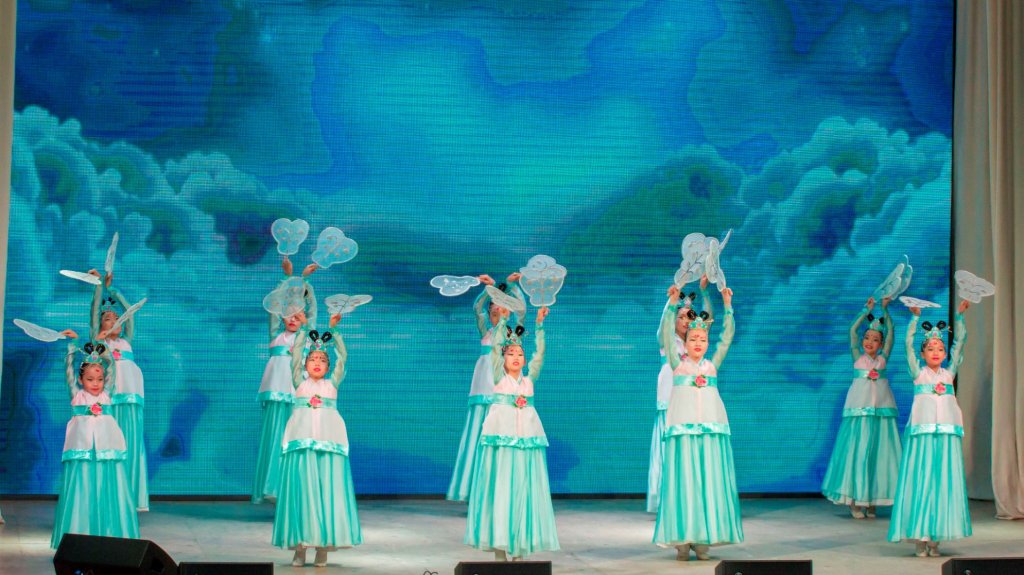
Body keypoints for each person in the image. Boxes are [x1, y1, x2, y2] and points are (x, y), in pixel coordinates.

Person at [653, 285, 742, 561]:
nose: (698, 343)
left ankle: (703, 538)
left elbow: (726, 338)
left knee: (707, 484)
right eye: (693, 339)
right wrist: (671, 305)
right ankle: (683, 538)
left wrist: (727, 306)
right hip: (684, 434)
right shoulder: (677, 364)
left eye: (703, 339)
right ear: (686, 341)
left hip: (709, 433)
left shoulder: (711, 366)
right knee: (685, 483)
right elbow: (667, 334)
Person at [465, 306, 559, 561]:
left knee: (523, 492)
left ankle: (519, 547)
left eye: (520, 354)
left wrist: (539, 325)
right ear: (503, 359)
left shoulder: (528, 381)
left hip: (525, 444)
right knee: (501, 490)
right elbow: (495, 348)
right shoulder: (499, 378)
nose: (516, 357)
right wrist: (502, 322)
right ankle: (500, 547)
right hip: (502, 444)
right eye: (511, 354)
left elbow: (540, 353)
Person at [272, 313, 362, 567]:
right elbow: (295, 355)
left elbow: (343, 357)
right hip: (302, 446)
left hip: (327, 447)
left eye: (322, 360)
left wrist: (335, 330)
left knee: (326, 494)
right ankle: (300, 548)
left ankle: (322, 548)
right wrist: (303, 329)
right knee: (302, 493)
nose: (317, 363)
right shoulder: (299, 382)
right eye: (313, 359)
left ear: (328, 366)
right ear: (305, 363)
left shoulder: (332, 385)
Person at [888, 300, 972, 557]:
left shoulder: (948, 374)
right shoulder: (919, 374)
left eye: (940, 349)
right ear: (923, 353)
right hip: (923, 435)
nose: (936, 352)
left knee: (942, 482)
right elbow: (907, 346)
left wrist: (959, 317)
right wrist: (914, 319)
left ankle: (935, 537)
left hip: (945, 435)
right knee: (922, 480)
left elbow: (960, 344)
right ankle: (919, 536)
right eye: (930, 349)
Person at [51, 334, 139, 547]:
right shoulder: (77, 395)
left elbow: (112, 368)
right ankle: (79, 531)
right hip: (82, 450)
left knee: (106, 485)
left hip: (105, 450)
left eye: (99, 379)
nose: (96, 384)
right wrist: (72, 346)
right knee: (82, 486)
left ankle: (108, 530)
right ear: (81, 380)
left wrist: (103, 350)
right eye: (90, 379)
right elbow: (68, 370)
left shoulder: (107, 394)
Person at [447, 273, 525, 502]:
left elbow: (521, 313)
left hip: (504, 387)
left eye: (502, 311)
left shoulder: (514, 334)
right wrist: (488, 289)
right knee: (479, 431)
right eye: (493, 312)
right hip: (483, 386)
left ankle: (504, 490)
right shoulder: (486, 332)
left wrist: (511, 286)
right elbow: (476, 308)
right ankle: (477, 489)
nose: (497, 315)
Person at [822, 296, 900, 518]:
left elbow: (891, 334)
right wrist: (866, 311)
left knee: (878, 453)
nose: (869, 342)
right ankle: (855, 500)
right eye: (867, 338)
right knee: (859, 452)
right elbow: (852, 332)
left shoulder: (882, 360)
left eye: (875, 339)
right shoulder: (858, 358)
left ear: (881, 344)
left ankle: (872, 499)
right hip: (859, 412)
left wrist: (885, 310)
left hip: (880, 412)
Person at [253, 256, 317, 504]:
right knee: (275, 439)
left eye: (297, 315)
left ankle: (295, 490)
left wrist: (305, 282)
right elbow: (274, 304)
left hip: (297, 397)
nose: (292, 318)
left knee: (296, 439)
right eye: (288, 314)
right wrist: (288, 278)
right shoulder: (276, 337)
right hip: (276, 397)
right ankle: (272, 487)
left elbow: (312, 309)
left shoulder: (308, 338)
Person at [90, 270, 148, 511]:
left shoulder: (127, 341)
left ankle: (130, 496)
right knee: (110, 444)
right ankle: (107, 496)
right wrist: (98, 287)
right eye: (107, 318)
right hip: (111, 401)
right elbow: (94, 312)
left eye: (116, 318)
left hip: (131, 401)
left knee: (131, 445)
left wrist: (112, 290)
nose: (114, 320)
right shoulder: (99, 344)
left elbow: (130, 312)